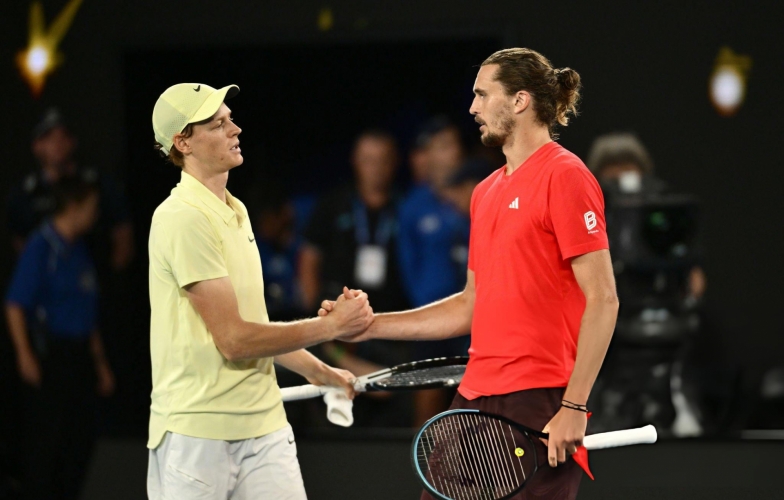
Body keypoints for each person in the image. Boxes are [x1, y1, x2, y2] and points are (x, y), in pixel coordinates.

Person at [322, 48, 618, 500]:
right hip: (473, 399)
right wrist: (366, 326)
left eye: (482, 95)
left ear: (519, 101)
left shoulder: (566, 176)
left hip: (538, 399)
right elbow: (470, 304)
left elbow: (604, 300)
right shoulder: (485, 192)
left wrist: (574, 406)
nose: (472, 108)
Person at [147, 83, 373, 499]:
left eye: (230, 119)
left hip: (266, 429)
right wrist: (330, 328)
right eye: (218, 124)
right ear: (184, 142)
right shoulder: (181, 218)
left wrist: (321, 372)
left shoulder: (237, 209)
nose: (235, 129)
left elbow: (258, 327)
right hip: (198, 439)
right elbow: (235, 341)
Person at [5, 175, 115, 500]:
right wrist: (24, 354)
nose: (95, 214)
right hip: (52, 355)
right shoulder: (42, 245)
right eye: (92, 206)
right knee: (47, 444)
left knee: (78, 441)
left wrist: (101, 364)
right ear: (75, 206)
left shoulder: (79, 249)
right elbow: (15, 304)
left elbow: (87, 311)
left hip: (80, 356)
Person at [299, 129, 413, 427]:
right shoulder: (334, 203)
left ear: (394, 163)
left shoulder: (407, 207)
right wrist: (313, 308)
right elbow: (309, 257)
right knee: (331, 377)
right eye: (368, 160)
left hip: (391, 317)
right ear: (355, 162)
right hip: (337, 316)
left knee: (395, 396)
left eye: (382, 161)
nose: (375, 168)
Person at [396, 118, 473, 424]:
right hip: (431, 318)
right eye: (439, 147)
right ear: (426, 155)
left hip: (474, 318)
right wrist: (423, 307)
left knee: (471, 401)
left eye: (451, 145)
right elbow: (407, 263)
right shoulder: (413, 206)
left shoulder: (478, 194)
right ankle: (420, 465)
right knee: (427, 400)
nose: (448, 154)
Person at [6, 108, 134, 270]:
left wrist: (109, 281)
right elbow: (20, 244)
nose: (57, 144)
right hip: (48, 284)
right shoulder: (25, 193)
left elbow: (123, 233)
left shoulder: (96, 184)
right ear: (37, 146)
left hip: (92, 279)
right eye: (49, 138)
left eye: (63, 136)